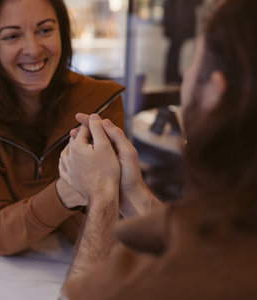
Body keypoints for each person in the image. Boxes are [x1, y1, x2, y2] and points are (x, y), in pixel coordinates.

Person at [59, 0, 257, 298]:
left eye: (194, 64)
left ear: (215, 92)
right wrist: (132, 191)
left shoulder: (172, 279)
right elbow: (194, 238)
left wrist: (100, 194)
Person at [0, 0, 125, 255]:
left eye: (45, 30)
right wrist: (66, 192)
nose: (32, 48)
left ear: (62, 33)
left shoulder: (100, 102)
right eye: (12, 36)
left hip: (72, 259)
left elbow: (108, 213)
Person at [163, 0, 202, 84]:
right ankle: (171, 75)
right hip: (178, 22)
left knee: (175, 48)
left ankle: (171, 74)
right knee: (175, 48)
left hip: (177, 21)